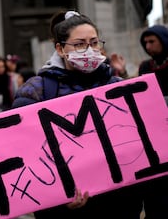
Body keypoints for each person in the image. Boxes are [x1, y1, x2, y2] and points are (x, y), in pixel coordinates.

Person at [12, 11, 142, 219]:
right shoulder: (36, 91)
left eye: (94, 42)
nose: (89, 50)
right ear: (60, 49)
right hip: (67, 210)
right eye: (80, 44)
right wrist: (58, 195)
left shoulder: (118, 86)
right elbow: (25, 153)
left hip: (119, 204)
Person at [136, 24, 168, 218]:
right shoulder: (145, 67)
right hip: (153, 135)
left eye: (152, 41)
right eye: (145, 42)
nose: (148, 46)